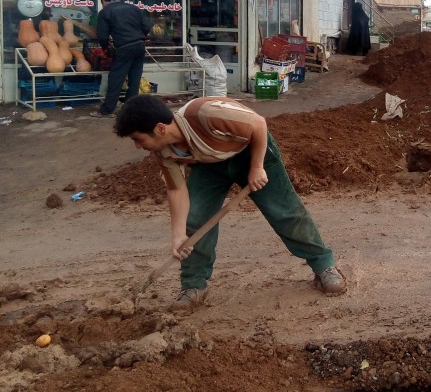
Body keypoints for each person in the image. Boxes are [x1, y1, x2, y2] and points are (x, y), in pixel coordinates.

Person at [113, 94, 347, 312]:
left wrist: (256, 167)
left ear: (160, 129)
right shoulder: (164, 151)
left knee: (285, 212)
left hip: (252, 151)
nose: (137, 146)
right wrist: (178, 234)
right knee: (194, 219)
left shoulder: (206, 114)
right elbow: (176, 189)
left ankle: (324, 266)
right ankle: (194, 285)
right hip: (209, 166)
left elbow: (258, 124)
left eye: (138, 139)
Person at [90, 0, 151, 118]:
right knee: (135, 79)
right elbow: (147, 27)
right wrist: (139, 36)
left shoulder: (105, 12)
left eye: (102, 4)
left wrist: (106, 47)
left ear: (105, 1)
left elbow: (102, 35)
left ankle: (107, 110)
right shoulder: (134, 8)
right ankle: (131, 109)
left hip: (124, 47)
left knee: (116, 79)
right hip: (140, 45)